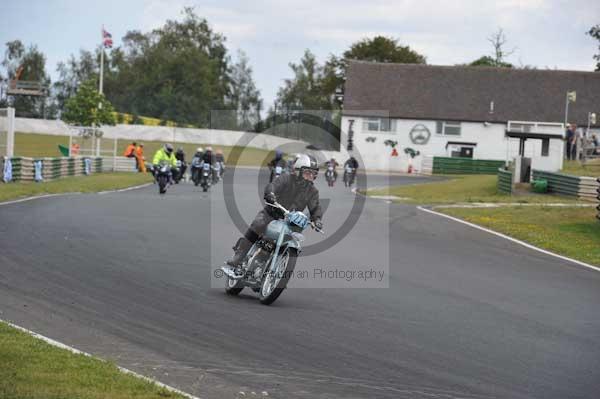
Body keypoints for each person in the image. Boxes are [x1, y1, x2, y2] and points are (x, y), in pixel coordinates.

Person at [226, 154, 323, 270]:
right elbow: (273, 186)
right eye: (308, 172)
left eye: (313, 174)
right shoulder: (286, 178)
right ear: (298, 170)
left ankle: (275, 268)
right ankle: (239, 255)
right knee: (259, 224)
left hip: (290, 221)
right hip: (272, 213)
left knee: (292, 237)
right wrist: (270, 194)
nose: (310, 176)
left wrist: (317, 219)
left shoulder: (312, 191)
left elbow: (315, 206)